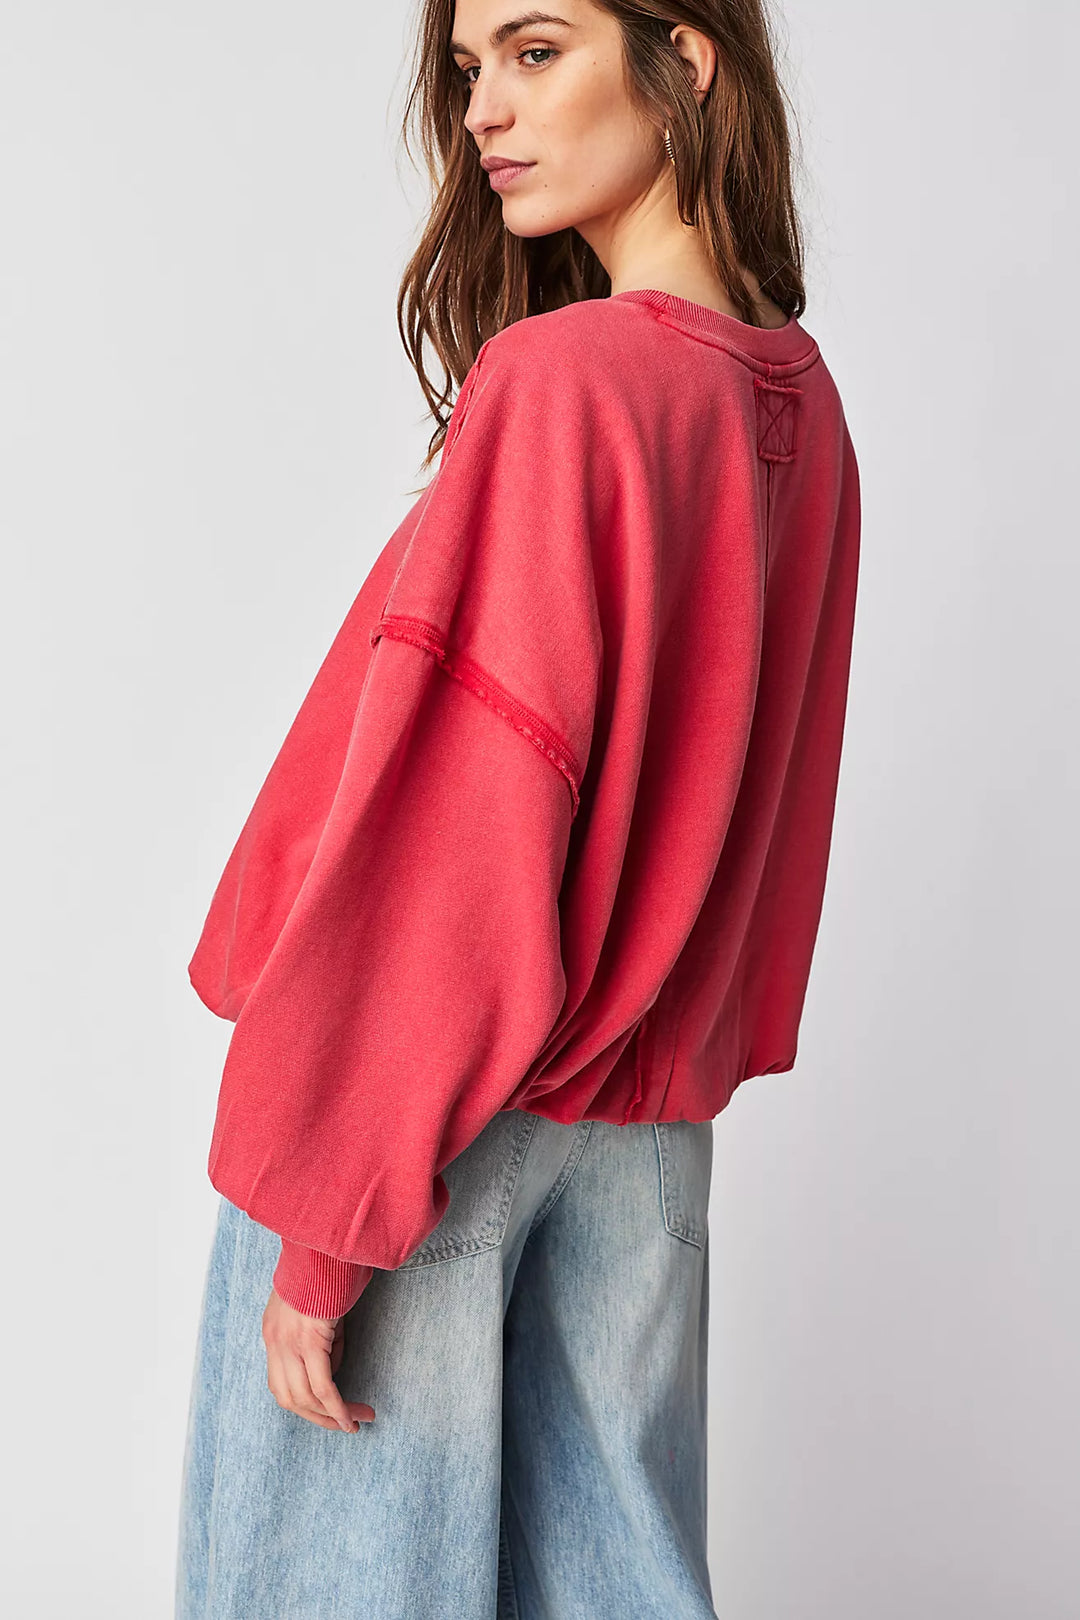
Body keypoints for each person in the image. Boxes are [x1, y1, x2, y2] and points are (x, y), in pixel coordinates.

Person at [175, 1, 861, 1615]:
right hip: (648, 1149)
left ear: (685, 58)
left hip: (430, 1126)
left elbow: (461, 831)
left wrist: (332, 1214)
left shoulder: (563, 382)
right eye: (471, 69)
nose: (485, 108)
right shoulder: (803, 409)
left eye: (537, 51)